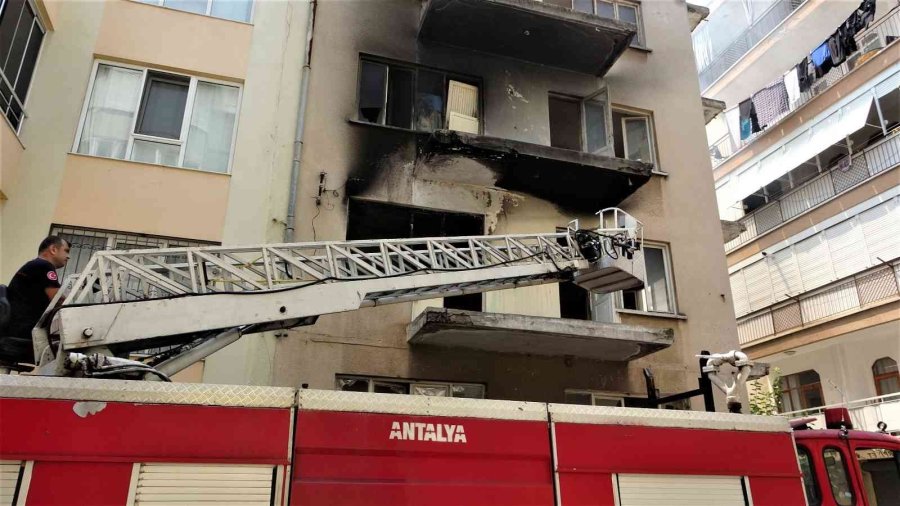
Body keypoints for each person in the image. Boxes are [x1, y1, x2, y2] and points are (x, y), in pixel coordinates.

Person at [2, 236, 70, 362]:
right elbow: (58, 300)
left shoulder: (32, 265)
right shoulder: (44, 266)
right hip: (27, 332)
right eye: (66, 251)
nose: (68, 256)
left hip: (15, 329)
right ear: (53, 249)